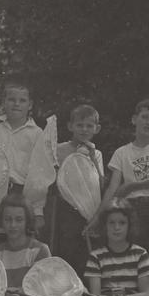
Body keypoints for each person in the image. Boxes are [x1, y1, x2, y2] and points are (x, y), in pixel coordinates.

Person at [91, 99, 149, 296]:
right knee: (130, 261)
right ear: (134, 119)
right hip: (129, 212)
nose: (148, 122)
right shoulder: (122, 152)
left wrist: (132, 186)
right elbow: (113, 188)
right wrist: (96, 218)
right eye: (144, 117)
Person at [0, 79, 45, 249]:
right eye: (11, 99)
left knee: (21, 248)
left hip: (23, 195)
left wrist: (38, 210)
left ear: (30, 104)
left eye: (22, 100)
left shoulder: (37, 134)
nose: (16, 104)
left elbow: (40, 176)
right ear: (4, 102)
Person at [84, 199, 149, 296]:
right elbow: (95, 295)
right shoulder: (96, 256)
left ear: (130, 226)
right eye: (112, 223)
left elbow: (146, 295)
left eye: (122, 223)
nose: (117, 227)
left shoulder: (140, 254)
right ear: (104, 226)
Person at [53, 104, 104, 275]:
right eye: (80, 125)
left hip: (88, 209)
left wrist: (92, 158)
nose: (84, 129)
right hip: (66, 209)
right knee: (66, 251)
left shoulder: (97, 154)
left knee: (86, 254)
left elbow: (100, 183)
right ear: (70, 126)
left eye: (89, 126)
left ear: (97, 129)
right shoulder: (59, 150)